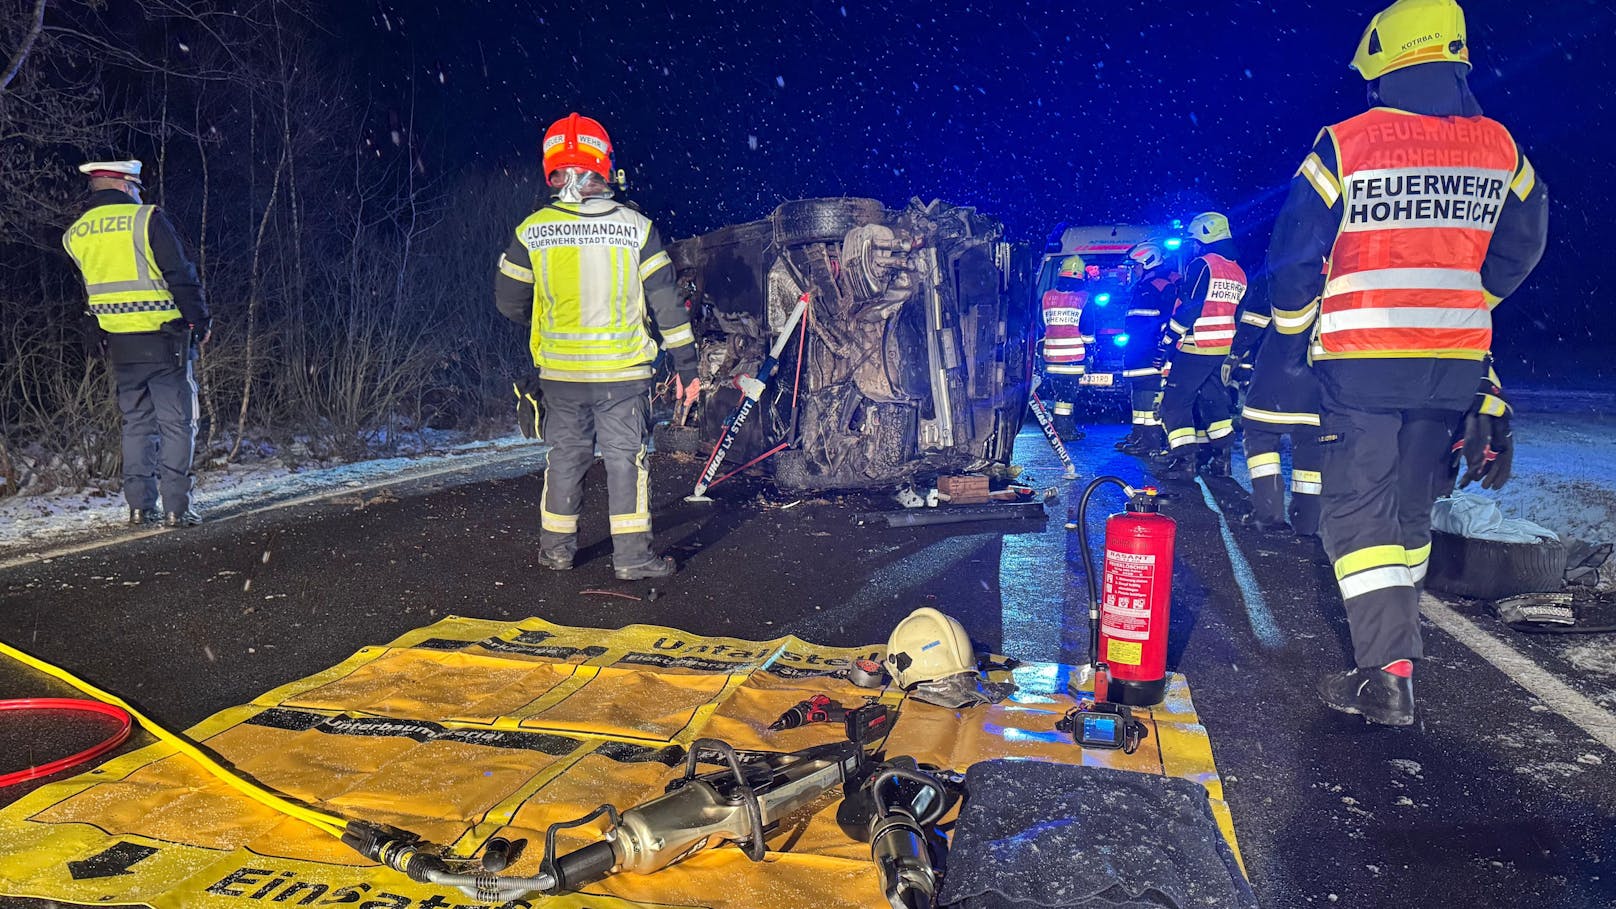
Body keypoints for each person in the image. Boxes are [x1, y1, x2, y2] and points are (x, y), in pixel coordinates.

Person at [1265, 0, 1547, 725]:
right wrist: (1468, 297)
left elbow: (1296, 258)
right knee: (1412, 503)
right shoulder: (1500, 148)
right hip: (1451, 361)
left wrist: (1292, 343)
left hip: (1362, 360)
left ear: (1386, 62)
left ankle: (1386, 673)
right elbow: (1524, 241)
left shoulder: (1346, 143)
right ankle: (1399, 634)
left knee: (1358, 509)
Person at [494, 113, 700, 580]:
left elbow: (508, 301)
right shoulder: (638, 229)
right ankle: (632, 559)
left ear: (552, 169)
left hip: (561, 378)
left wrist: (548, 316)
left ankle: (556, 552)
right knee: (626, 463)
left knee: (566, 459)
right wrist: (688, 367)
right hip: (623, 377)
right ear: (605, 166)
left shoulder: (533, 231)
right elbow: (667, 305)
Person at [63, 160, 209, 528]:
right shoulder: (146, 219)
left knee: (136, 425)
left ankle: (140, 507)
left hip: (120, 346)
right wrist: (199, 320)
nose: (140, 193)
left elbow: (87, 292)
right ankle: (177, 507)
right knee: (178, 424)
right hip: (165, 339)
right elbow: (180, 273)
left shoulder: (77, 233)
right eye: (137, 187)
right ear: (126, 185)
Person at [1226, 269, 1323, 537]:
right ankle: (1307, 521)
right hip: (1322, 378)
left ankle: (1269, 514)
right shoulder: (1345, 267)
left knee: (1260, 436)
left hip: (1278, 373)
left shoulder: (1284, 268)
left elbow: (1255, 319)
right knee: (1311, 446)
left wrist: (1235, 353)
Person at [1152, 213, 1247, 480]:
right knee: (1214, 401)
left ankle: (1185, 462)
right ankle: (1222, 459)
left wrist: (1168, 341)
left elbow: (1190, 308)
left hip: (1196, 346)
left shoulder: (1202, 265)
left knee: (1174, 403)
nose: (1192, 247)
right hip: (1221, 348)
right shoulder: (1237, 271)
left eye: (1194, 241)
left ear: (1205, 238)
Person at [1117, 241, 1177, 455]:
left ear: (1147, 262)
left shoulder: (1161, 285)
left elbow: (1168, 319)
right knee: (1139, 391)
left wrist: (1163, 348)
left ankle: (1151, 440)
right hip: (1138, 348)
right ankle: (1140, 434)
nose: (1133, 270)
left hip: (1150, 349)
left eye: (1135, 265)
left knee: (1149, 393)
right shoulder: (1143, 285)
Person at [1039, 254, 1090, 441]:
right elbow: (1088, 330)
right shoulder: (1083, 298)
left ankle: (1060, 428)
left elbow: (1040, 325)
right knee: (1067, 398)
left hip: (1051, 357)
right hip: (1073, 358)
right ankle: (1064, 430)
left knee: (1060, 395)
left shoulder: (1047, 297)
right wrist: (1091, 353)